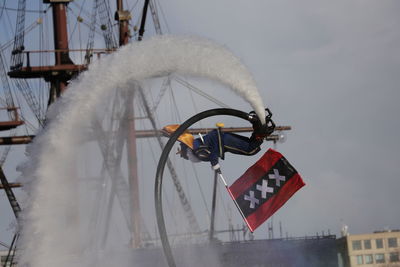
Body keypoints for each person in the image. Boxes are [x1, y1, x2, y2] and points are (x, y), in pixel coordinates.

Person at [162, 110, 275, 173]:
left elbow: (211, 153)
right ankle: (258, 128)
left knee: (250, 149)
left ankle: (260, 133)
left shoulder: (197, 152)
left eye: (184, 156)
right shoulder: (195, 145)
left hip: (222, 142)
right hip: (222, 139)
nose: (186, 158)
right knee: (249, 147)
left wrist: (215, 164)